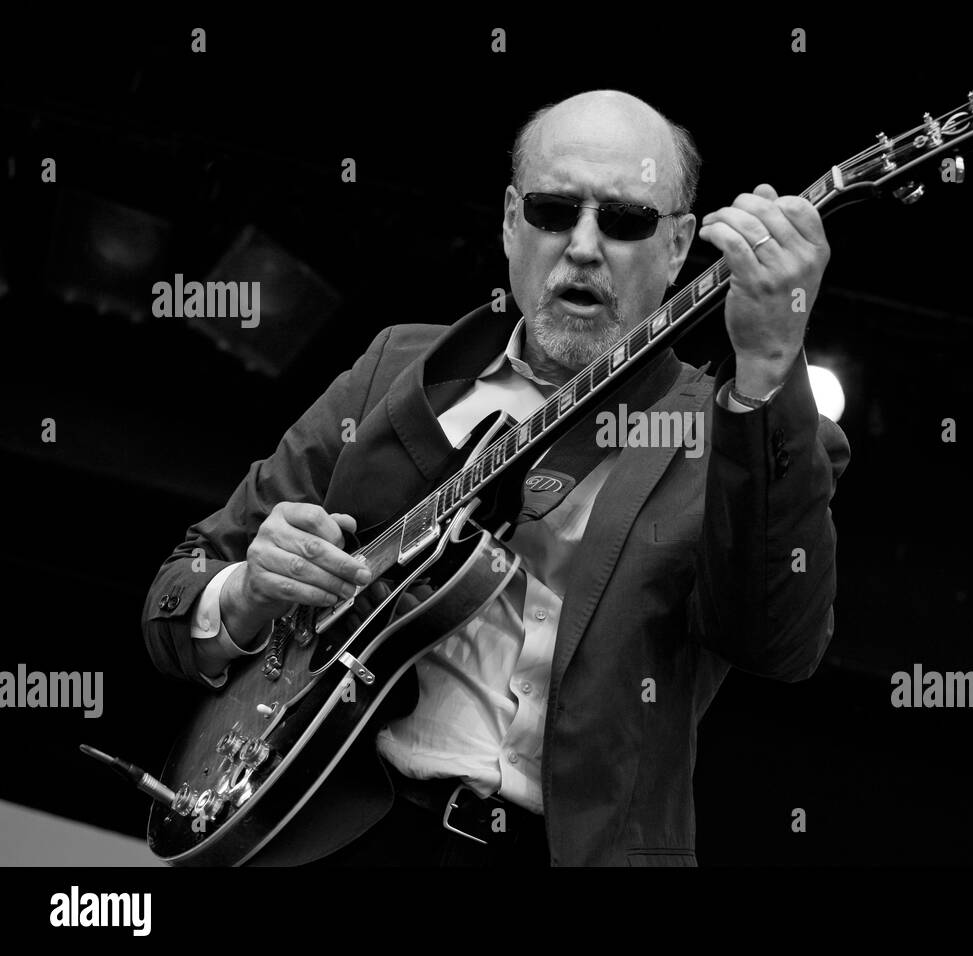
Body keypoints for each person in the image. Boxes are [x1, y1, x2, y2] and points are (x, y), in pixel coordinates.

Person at [142, 89, 850, 866]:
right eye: (553, 211)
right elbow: (178, 590)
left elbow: (778, 644)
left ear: (680, 246)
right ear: (512, 221)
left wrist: (770, 370)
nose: (583, 246)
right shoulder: (399, 368)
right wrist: (245, 594)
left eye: (624, 221)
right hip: (331, 827)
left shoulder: (742, 430)